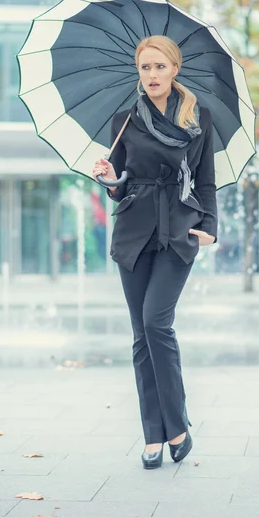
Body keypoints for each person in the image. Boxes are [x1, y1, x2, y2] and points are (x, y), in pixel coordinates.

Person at [92, 35, 218, 470]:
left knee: (155, 322)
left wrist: (209, 228)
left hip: (179, 231)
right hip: (133, 232)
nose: (151, 75)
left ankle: (178, 426)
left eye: (159, 67)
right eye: (145, 68)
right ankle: (153, 435)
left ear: (175, 70)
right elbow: (120, 186)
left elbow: (205, 181)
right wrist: (109, 178)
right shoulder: (124, 121)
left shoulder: (199, 118)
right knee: (141, 336)